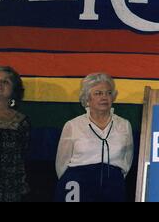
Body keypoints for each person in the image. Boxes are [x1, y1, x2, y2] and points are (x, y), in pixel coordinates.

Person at [55, 73, 133, 202]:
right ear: (87, 98)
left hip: (112, 187)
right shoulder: (73, 125)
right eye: (98, 93)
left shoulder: (124, 125)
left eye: (108, 93)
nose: (104, 97)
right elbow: (61, 164)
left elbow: (127, 161)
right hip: (77, 187)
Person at [0, 66, 30, 202]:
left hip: (11, 188)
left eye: (5, 82)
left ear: (14, 89)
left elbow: (24, 153)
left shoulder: (21, 121)